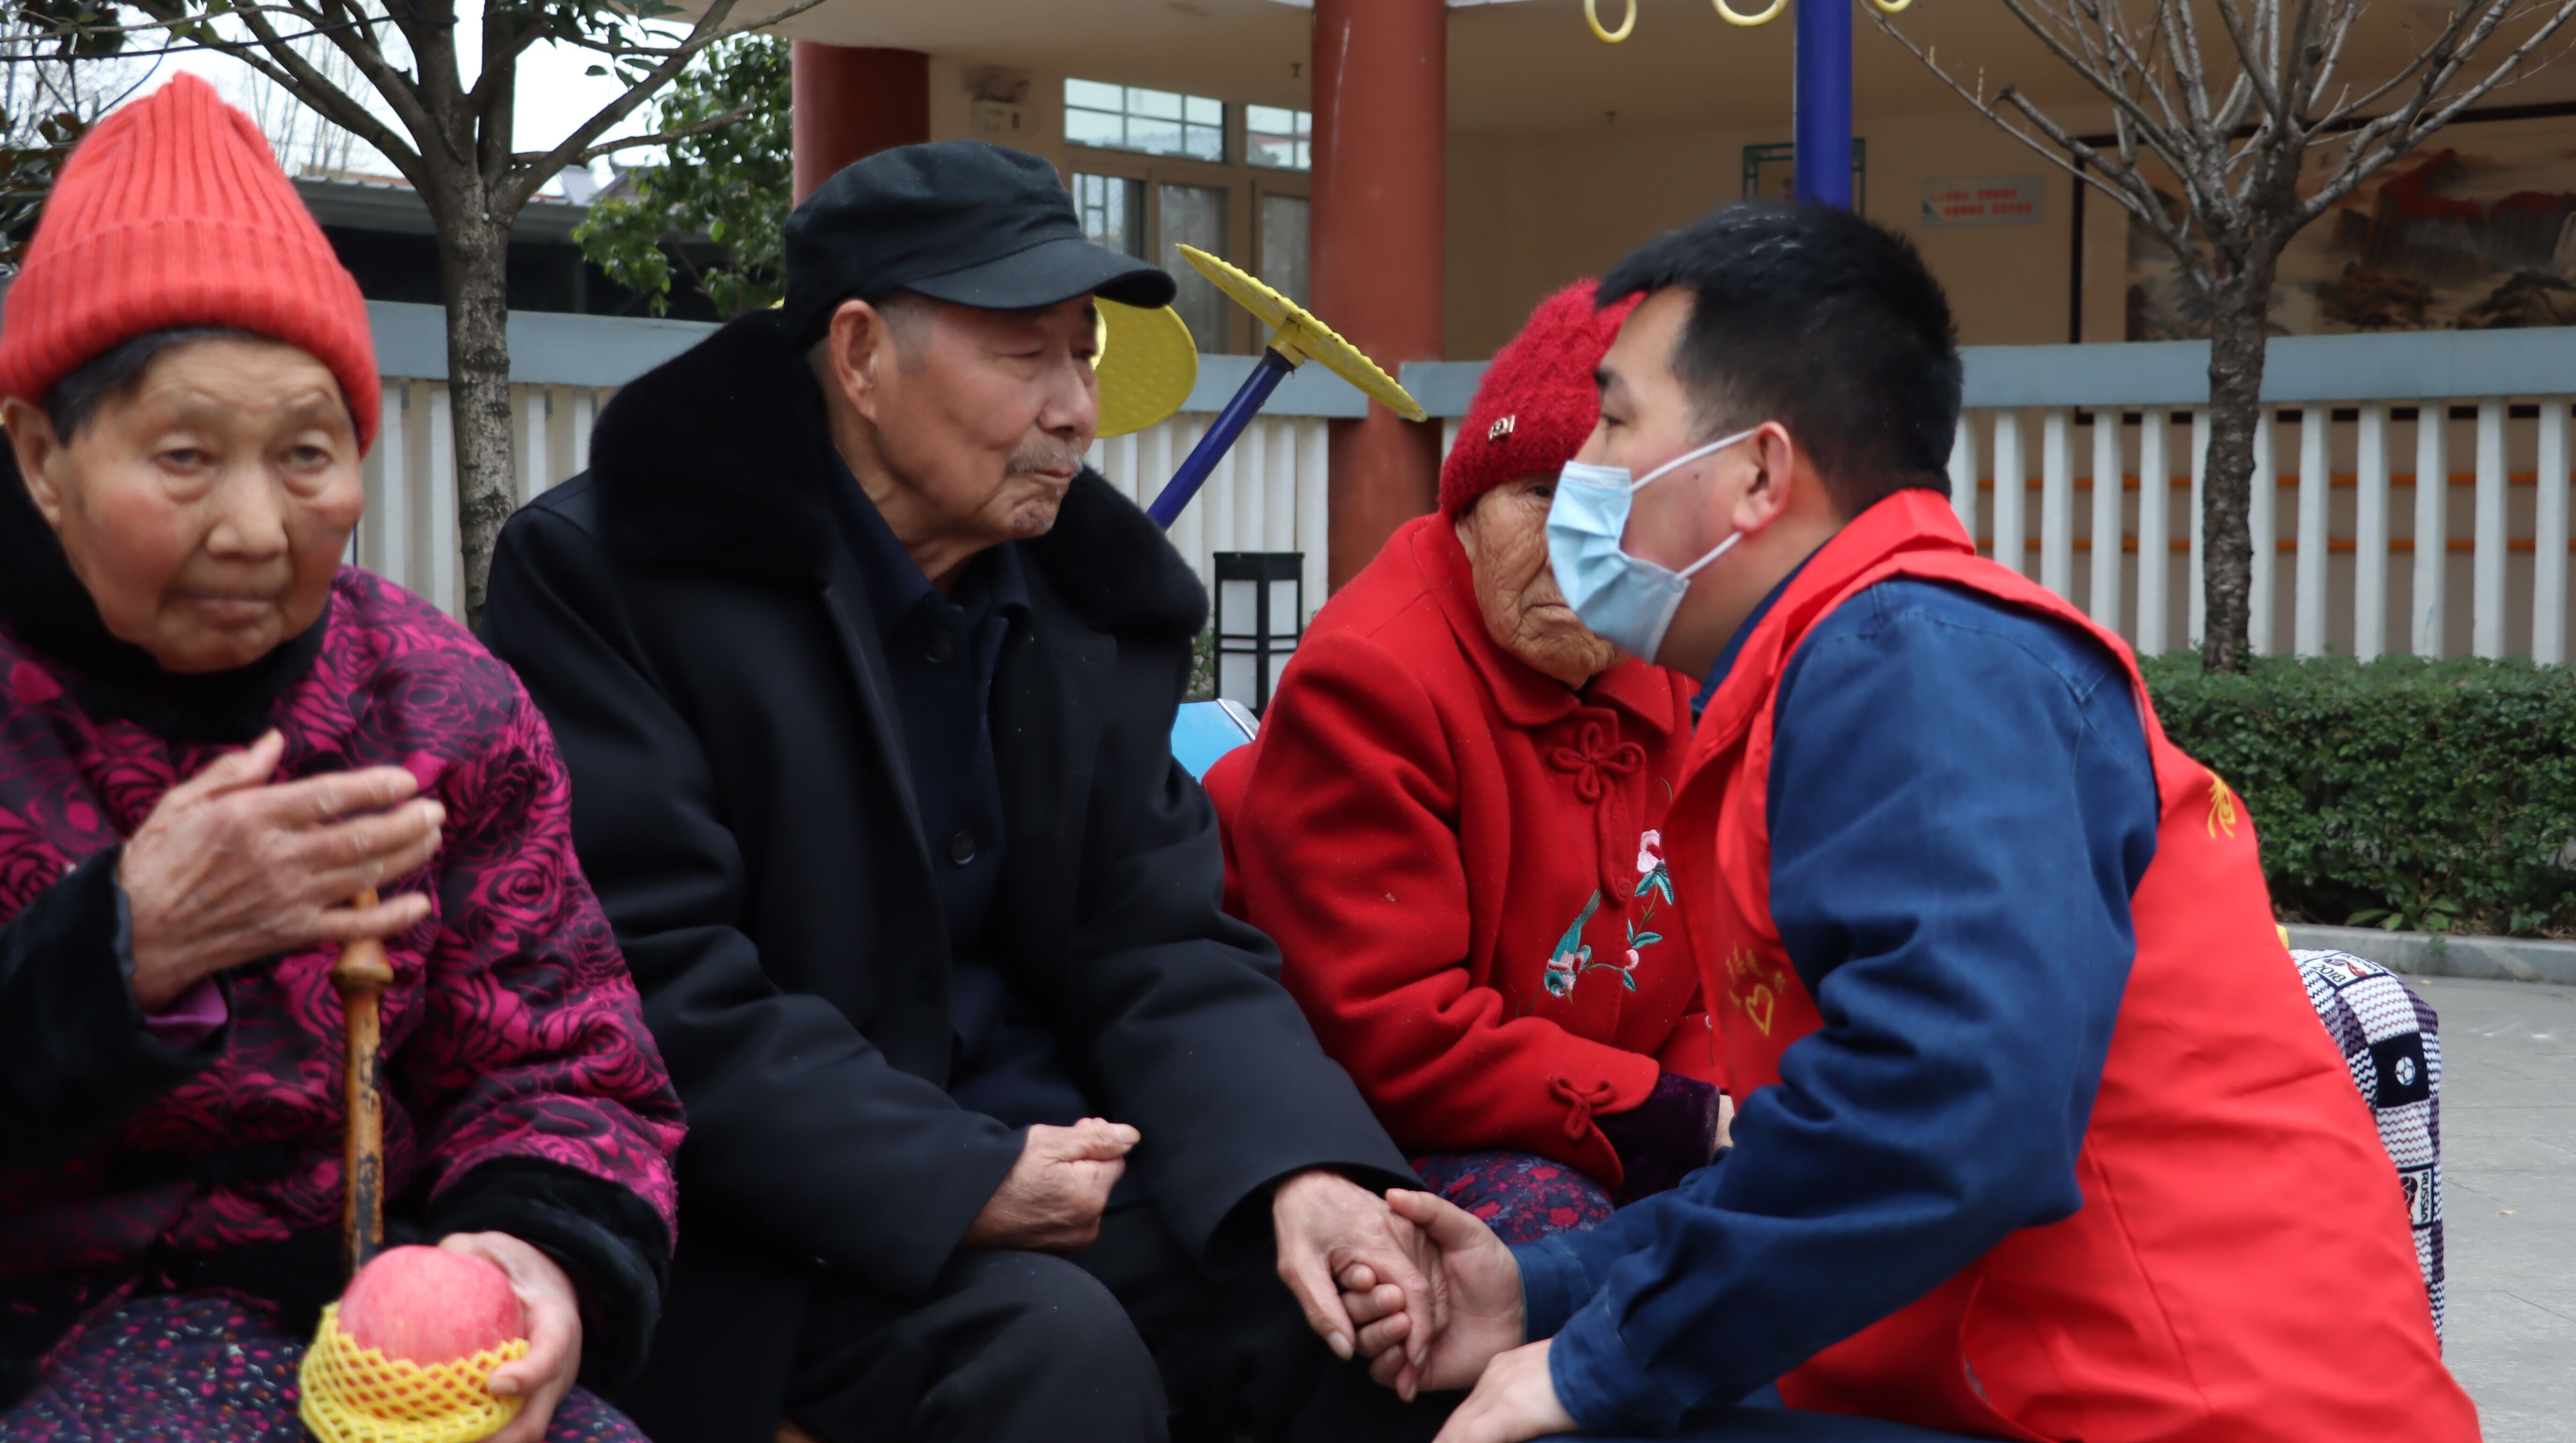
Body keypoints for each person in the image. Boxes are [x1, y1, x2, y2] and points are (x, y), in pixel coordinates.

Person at [1335, 202, 2476, 1442]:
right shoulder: (1847, 663)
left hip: (2167, 1410)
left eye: (1613, 421)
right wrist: (1543, 1291)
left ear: (1760, 474)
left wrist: (1598, 1359)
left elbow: (1945, 1112)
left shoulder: (1913, 662)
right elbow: (1822, 1143)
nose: (1583, 482)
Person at [479, 140, 1438, 1443]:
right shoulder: (618, 577)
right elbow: (647, 975)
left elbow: (1158, 935)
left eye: (1082, 356)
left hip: (1057, 1177)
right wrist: (958, 1176)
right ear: (864, 357)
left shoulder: (1085, 603)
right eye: (1024, 354)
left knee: (1358, 1320)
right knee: (1049, 1354)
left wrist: (1299, 1167)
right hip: (762, 1221)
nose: (1078, 412)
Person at [0, 76, 683, 1443]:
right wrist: (117, 953)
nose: (258, 527)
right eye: (186, 456)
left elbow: (563, 1064)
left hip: (376, 1330)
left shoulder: (440, 704)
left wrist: (530, 1253)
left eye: (308, 455)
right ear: (39, 454)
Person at [1205, 282, 1726, 1246]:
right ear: (1468, 506)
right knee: (1557, 1236)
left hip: (1608, 1114)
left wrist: (1709, 1112)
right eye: (1543, 495)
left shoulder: (1677, 663)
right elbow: (1392, 1033)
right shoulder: (1372, 679)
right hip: (1384, 1129)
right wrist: (1668, 1118)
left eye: (1623, 501)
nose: (1585, 543)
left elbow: (1714, 972)